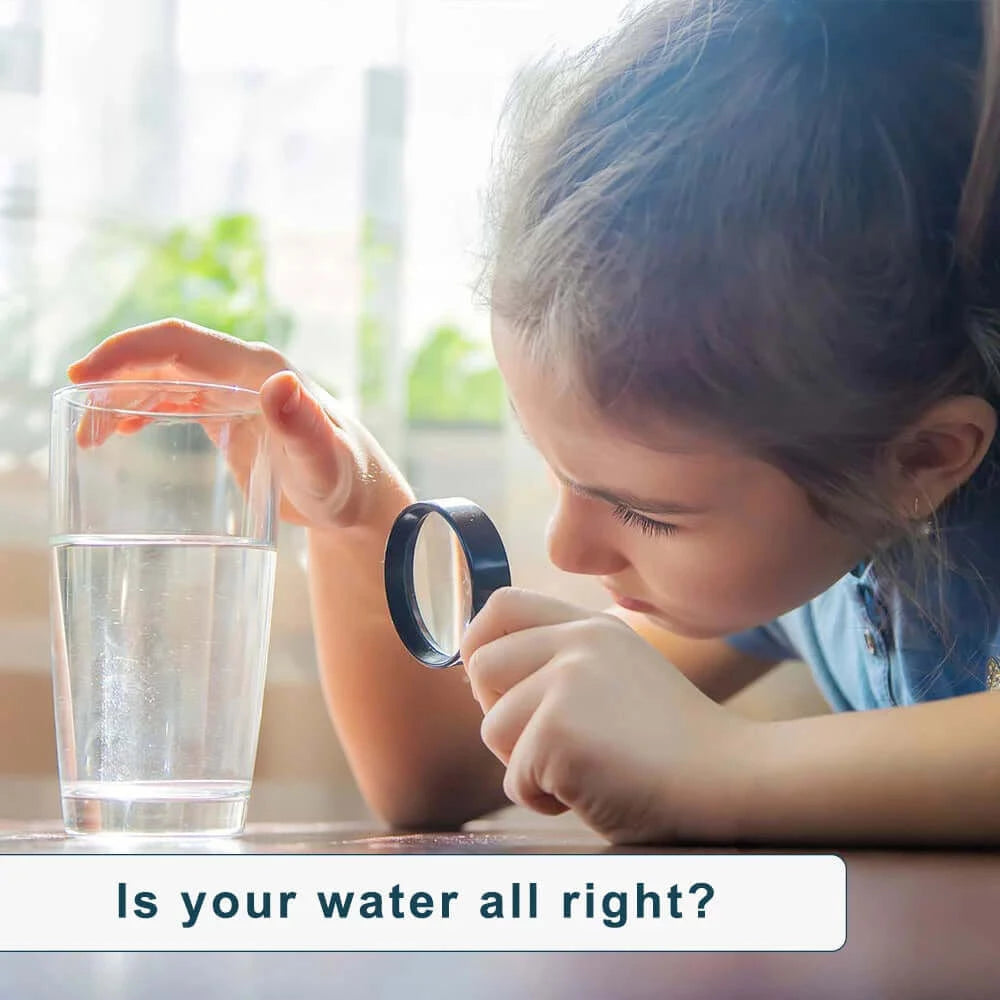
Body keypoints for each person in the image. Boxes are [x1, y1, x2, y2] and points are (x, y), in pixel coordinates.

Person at [68, 0, 1000, 844]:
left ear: (921, 459)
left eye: (646, 513)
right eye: (557, 471)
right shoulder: (813, 562)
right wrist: (354, 518)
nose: (570, 546)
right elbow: (443, 775)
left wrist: (724, 768)